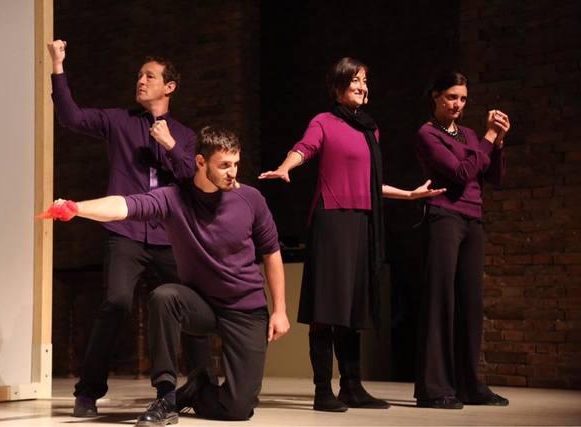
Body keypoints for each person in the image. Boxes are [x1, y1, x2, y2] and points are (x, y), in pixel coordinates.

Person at [41, 127, 290, 426]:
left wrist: (280, 310)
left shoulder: (251, 199)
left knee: (239, 409)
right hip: (202, 304)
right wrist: (76, 208)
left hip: (245, 309)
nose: (233, 173)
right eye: (224, 165)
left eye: (236, 163)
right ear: (201, 162)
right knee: (164, 297)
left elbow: (271, 253)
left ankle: (197, 390)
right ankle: (166, 397)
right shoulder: (173, 198)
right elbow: (126, 206)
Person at [259, 57, 445, 412]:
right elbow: (304, 148)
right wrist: (285, 167)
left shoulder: (370, 130)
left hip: (363, 222)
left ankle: (352, 386)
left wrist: (409, 195)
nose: (362, 86)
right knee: (326, 307)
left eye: (364, 81)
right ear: (337, 86)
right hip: (332, 221)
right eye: (355, 80)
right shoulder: (323, 122)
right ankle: (322, 390)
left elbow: (371, 184)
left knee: (353, 307)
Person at [46, 40, 211, 417]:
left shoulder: (185, 136)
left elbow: (194, 179)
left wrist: (170, 145)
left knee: (191, 304)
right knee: (116, 303)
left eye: (150, 76)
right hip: (126, 235)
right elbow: (71, 117)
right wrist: (58, 65)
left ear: (169, 87)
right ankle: (87, 392)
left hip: (170, 238)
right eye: (139, 75)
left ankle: (201, 387)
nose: (141, 81)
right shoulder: (120, 121)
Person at [413, 72, 510, 409]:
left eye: (463, 99)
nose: (458, 104)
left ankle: (470, 385)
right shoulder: (427, 134)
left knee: (471, 303)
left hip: (473, 219)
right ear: (436, 96)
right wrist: (488, 137)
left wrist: (497, 143)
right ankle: (433, 389)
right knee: (441, 301)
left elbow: (493, 175)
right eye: (452, 97)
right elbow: (461, 173)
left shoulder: (469, 135)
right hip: (444, 216)